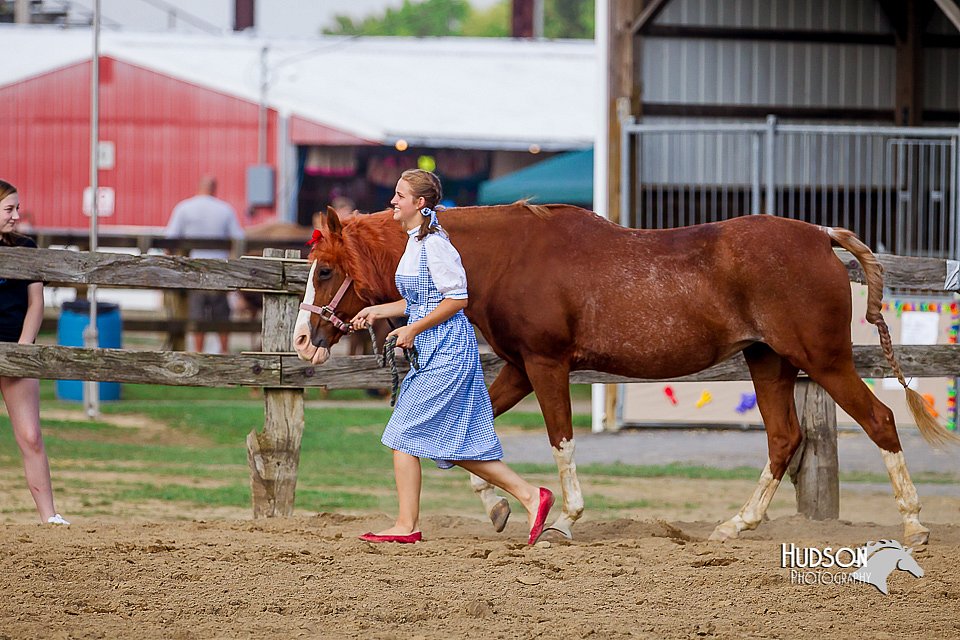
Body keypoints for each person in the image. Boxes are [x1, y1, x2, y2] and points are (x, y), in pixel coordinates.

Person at [350, 169, 553, 545]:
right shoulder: (415, 242)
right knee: (443, 442)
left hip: (448, 351)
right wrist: (380, 311)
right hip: (433, 350)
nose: (393, 201)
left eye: (399, 195)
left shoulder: (436, 246)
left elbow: (458, 299)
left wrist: (413, 329)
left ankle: (406, 525)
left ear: (419, 203)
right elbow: (418, 300)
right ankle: (530, 495)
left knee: (404, 434)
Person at [0, 180, 68, 525]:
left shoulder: (27, 246)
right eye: (9, 209)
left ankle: (50, 517)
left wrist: (23, 348)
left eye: (17, 208)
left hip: (17, 349)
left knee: (30, 436)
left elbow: (36, 303)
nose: (16, 215)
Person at [165, 176, 244, 353]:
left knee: (197, 315)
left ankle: (199, 354)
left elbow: (169, 239)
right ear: (214, 188)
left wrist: (170, 264)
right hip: (219, 272)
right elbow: (239, 239)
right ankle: (223, 353)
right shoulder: (225, 209)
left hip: (194, 272)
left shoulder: (184, 208)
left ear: (198, 187)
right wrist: (234, 265)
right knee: (222, 316)